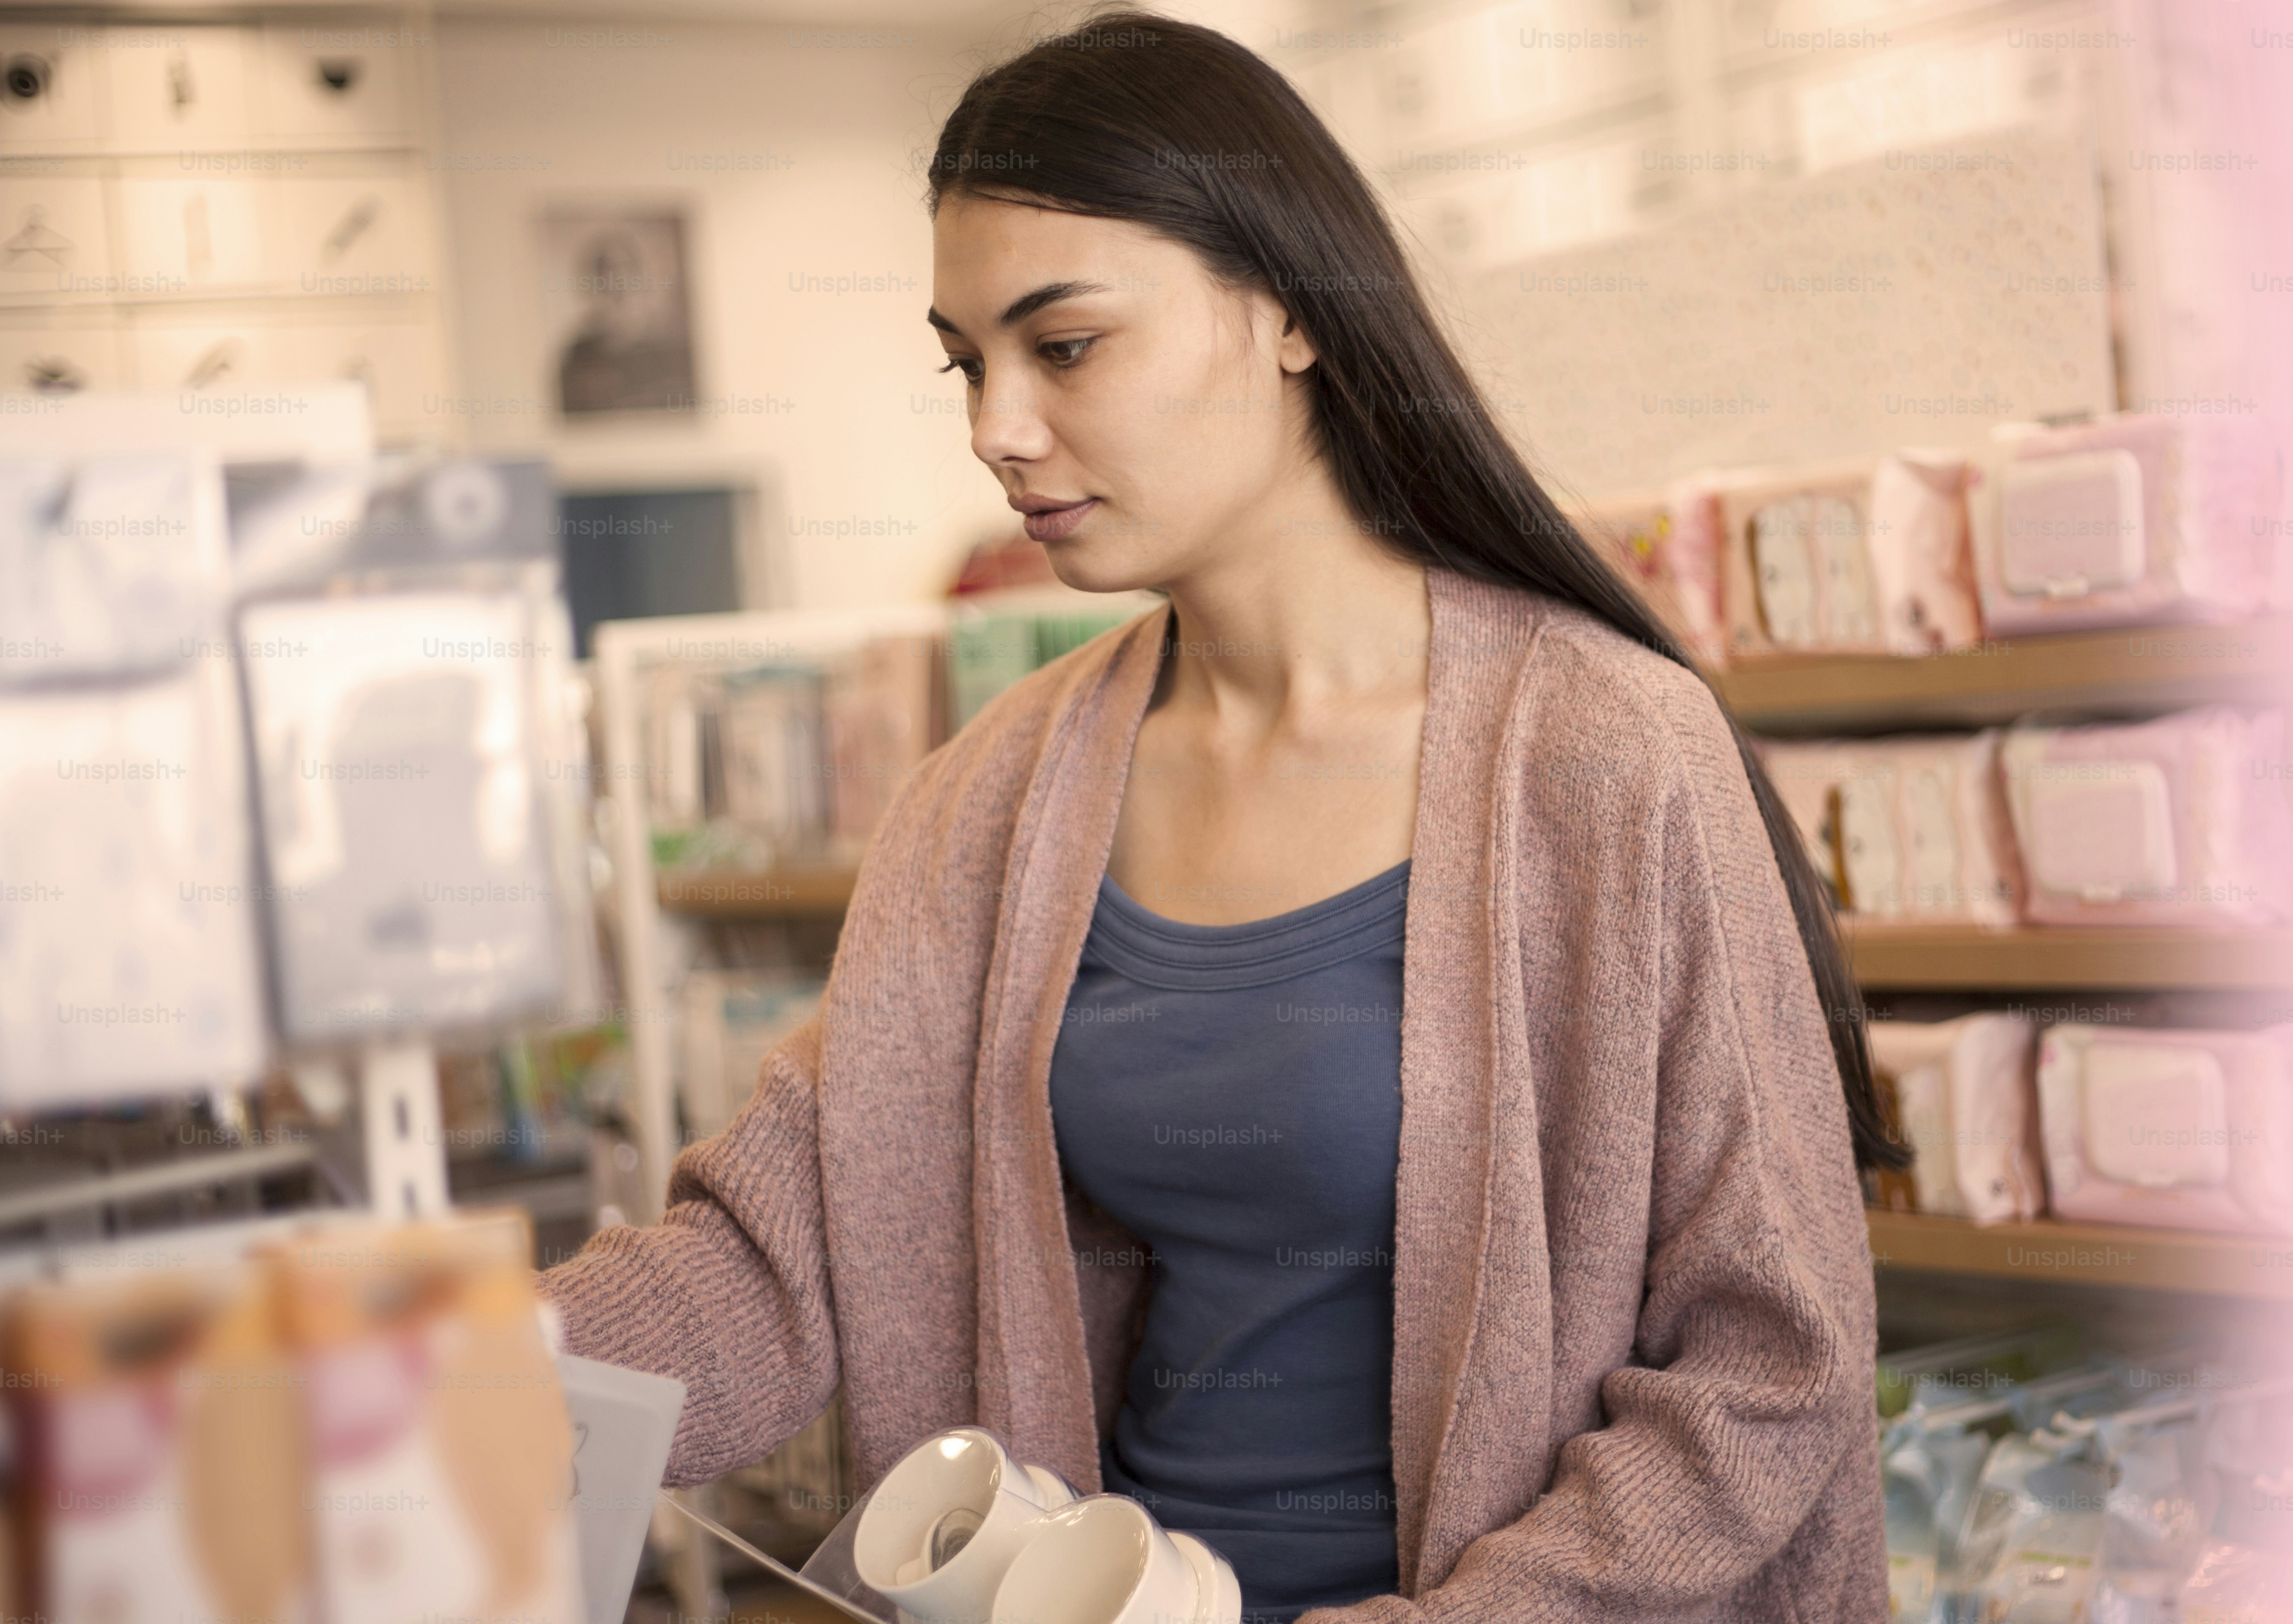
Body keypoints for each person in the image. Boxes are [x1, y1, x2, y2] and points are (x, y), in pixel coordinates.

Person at [540, 13, 1902, 1621]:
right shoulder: (988, 804)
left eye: (1065, 346)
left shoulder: (1607, 760)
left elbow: (1772, 1358)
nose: (996, 426)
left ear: (1290, 315)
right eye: (966, 362)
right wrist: (442, 1377)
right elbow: (785, 1255)